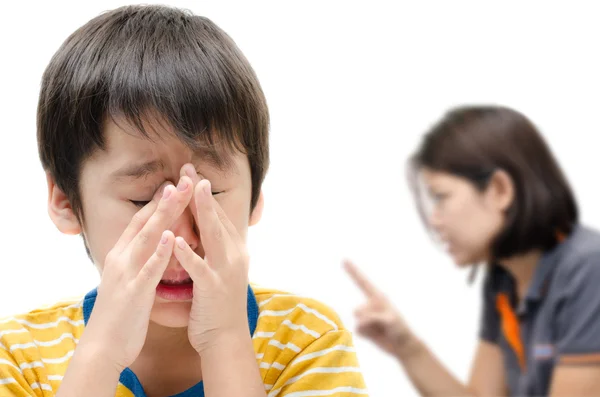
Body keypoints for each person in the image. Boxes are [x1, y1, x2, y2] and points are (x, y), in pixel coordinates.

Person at [0, 5, 367, 397]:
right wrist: (102, 353)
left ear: (255, 194)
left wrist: (225, 340)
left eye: (212, 194)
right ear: (65, 201)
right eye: (143, 200)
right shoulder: (21, 356)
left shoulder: (308, 341)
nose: (180, 235)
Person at [344, 105, 600, 396]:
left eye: (441, 197)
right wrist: (407, 347)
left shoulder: (589, 270)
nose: (435, 220)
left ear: (500, 190)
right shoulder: (503, 280)